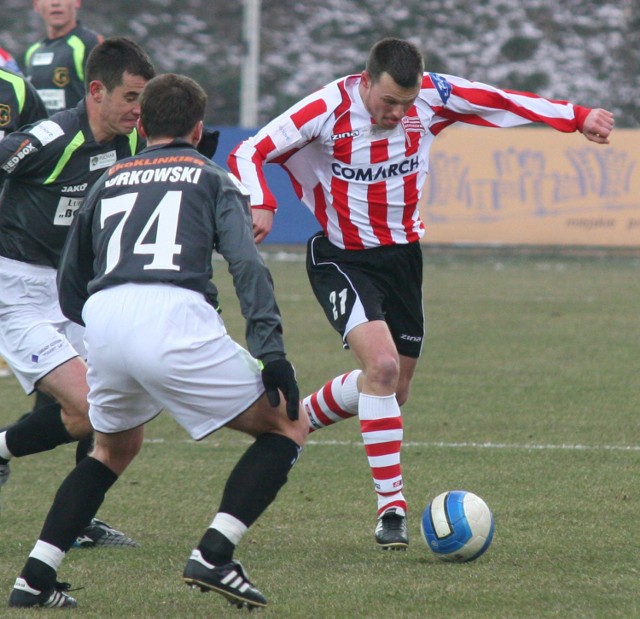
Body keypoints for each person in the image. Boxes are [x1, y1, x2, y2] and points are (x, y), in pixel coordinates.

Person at [227, 37, 616, 550]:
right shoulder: (327, 108)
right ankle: (392, 510)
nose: (397, 113)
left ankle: (294, 422)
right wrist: (262, 201)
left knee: (391, 388)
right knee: (382, 369)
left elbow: (500, 100)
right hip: (341, 257)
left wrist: (577, 116)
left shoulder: (433, 97)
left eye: (406, 104)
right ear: (365, 83)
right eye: (388, 101)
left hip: (403, 258)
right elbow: (249, 150)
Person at [8, 72, 308, 610]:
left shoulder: (108, 178)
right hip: (172, 313)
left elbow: (71, 280)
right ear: (198, 128)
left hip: (103, 318)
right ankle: (215, 555)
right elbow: (247, 268)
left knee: (112, 447)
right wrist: (272, 353)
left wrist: (101, 329)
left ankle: (34, 577)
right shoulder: (211, 177)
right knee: (287, 423)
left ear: (142, 124)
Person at [0, 36, 156, 548]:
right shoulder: (49, 137)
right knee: (91, 407)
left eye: (143, 98)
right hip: (14, 288)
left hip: (73, 287)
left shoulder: (132, 141)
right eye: (131, 97)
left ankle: (78, 518)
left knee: (108, 400)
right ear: (95, 91)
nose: (139, 109)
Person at [24, 0, 103, 115]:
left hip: (79, 131)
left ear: (77, 2)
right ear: (36, 5)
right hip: (43, 131)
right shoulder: (32, 52)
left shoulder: (91, 43)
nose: (55, 2)